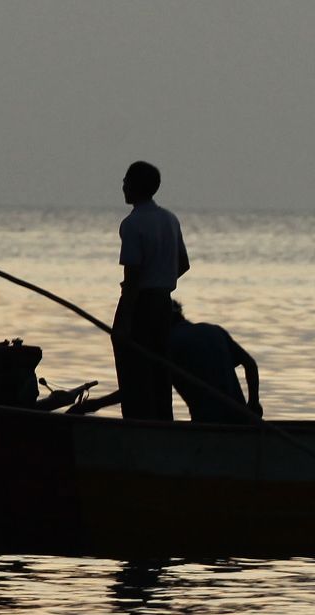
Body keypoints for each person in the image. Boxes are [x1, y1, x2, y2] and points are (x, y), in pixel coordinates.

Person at [113, 160, 190, 421]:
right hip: (163, 305)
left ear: (135, 186)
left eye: (126, 180)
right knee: (159, 372)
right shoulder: (170, 219)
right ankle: (162, 423)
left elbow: (132, 277)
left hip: (141, 305)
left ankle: (137, 423)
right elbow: (183, 264)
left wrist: (124, 322)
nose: (122, 185)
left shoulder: (132, 224)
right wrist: (161, 279)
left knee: (133, 370)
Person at [166, 300, 263, 423]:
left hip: (207, 421)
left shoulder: (169, 343)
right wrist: (253, 403)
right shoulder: (215, 331)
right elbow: (250, 365)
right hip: (241, 418)